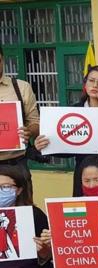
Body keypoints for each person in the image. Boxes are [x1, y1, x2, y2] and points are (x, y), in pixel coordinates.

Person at [33, 65, 98, 197]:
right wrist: (45, 145)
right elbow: (68, 147)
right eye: (91, 81)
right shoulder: (74, 111)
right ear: (85, 84)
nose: (95, 85)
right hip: (85, 175)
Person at [0, 45, 40, 188]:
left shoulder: (21, 87)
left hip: (16, 164)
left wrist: (29, 131)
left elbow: (36, 123)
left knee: (23, 209)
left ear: (2, 59)